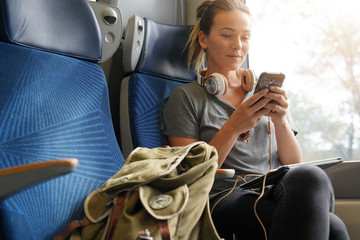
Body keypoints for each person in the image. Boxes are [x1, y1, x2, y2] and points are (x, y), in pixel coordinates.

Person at [161, 0, 350, 239]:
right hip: (221, 199)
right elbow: (191, 175)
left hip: (271, 190)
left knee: (312, 178)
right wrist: (233, 127)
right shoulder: (185, 98)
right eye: (227, 35)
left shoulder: (263, 93)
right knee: (333, 228)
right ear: (204, 40)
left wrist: (281, 121)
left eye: (245, 37)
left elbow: (292, 161)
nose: (238, 46)